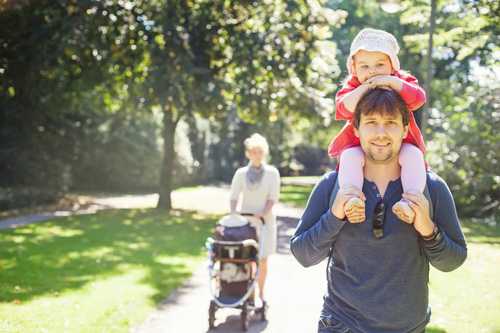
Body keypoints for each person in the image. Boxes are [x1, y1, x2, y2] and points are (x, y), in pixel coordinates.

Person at [290, 89, 467, 333]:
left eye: (391, 123)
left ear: (405, 129)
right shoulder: (332, 185)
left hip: (407, 327)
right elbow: (303, 255)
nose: (381, 133)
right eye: (371, 122)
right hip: (342, 325)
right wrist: (334, 217)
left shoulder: (431, 188)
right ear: (355, 129)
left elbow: (453, 261)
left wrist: (428, 229)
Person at [328, 28, 427, 225]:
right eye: (364, 66)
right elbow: (342, 108)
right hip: (360, 142)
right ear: (354, 68)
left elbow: (418, 99)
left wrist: (391, 82)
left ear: (392, 66)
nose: (372, 71)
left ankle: (410, 202)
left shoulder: (400, 80)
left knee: (413, 156)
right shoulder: (353, 86)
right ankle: (351, 199)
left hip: (399, 141)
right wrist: (366, 87)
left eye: (379, 65)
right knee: (350, 157)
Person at [229, 133, 281, 307]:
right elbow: (234, 196)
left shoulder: (272, 173)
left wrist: (262, 213)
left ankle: (261, 293)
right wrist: (234, 213)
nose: (256, 154)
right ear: (248, 153)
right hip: (246, 223)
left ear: (264, 153)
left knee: (262, 259)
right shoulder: (240, 173)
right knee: (248, 258)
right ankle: (248, 292)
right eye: (253, 151)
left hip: (265, 223)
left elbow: (273, 198)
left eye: (259, 151)